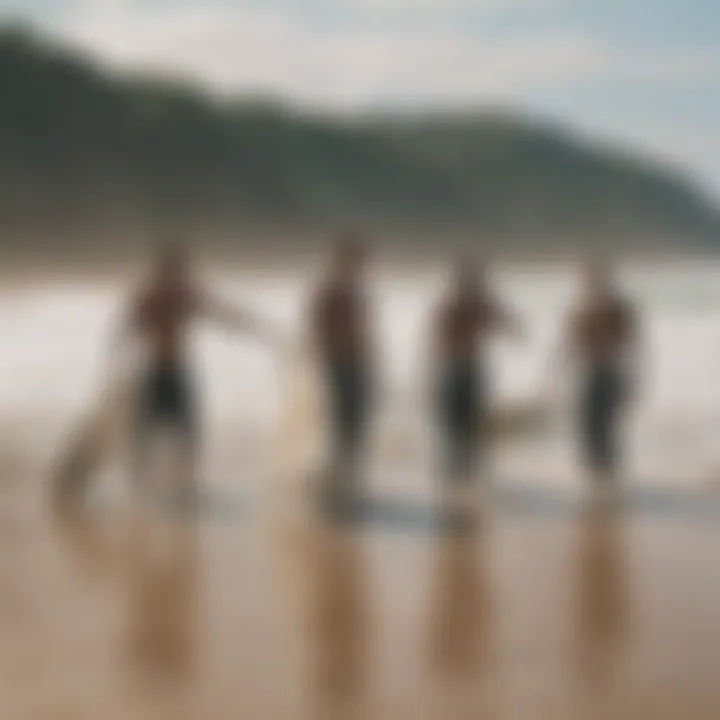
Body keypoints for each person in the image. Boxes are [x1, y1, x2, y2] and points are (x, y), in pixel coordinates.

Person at [115, 243, 281, 506]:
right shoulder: (151, 297)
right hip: (156, 371)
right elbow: (126, 327)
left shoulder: (183, 295)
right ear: (163, 270)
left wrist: (256, 328)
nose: (178, 275)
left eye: (181, 270)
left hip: (179, 371)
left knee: (188, 431)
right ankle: (141, 485)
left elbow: (220, 312)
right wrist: (119, 361)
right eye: (175, 269)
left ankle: (183, 486)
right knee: (147, 431)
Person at [432, 260, 522, 488]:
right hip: (461, 367)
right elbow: (510, 324)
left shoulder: (470, 303)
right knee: (459, 423)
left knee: (463, 422)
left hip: (465, 367)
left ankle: (460, 473)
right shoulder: (462, 304)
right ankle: (459, 472)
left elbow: (510, 324)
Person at [310, 235, 375, 512]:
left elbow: (363, 331)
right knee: (341, 425)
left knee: (356, 425)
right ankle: (336, 487)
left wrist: (370, 361)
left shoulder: (356, 291)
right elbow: (317, 328)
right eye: (352, 260)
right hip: (339, 364)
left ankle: (348, 484)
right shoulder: (330, 290)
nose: (356, 266)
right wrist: (326, 356)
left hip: (356, 364)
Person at [562, 261, 640, 492]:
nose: (590, 282)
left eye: (594, 277)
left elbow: (632, 343)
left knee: (604, 427)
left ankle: (607, 479)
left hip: (609, 372)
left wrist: (633, 378)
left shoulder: (615, 309)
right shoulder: (583, 309)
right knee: (589, 426)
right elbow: (570, 344)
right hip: (592, 372)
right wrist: (559, 369)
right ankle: (597, 479)